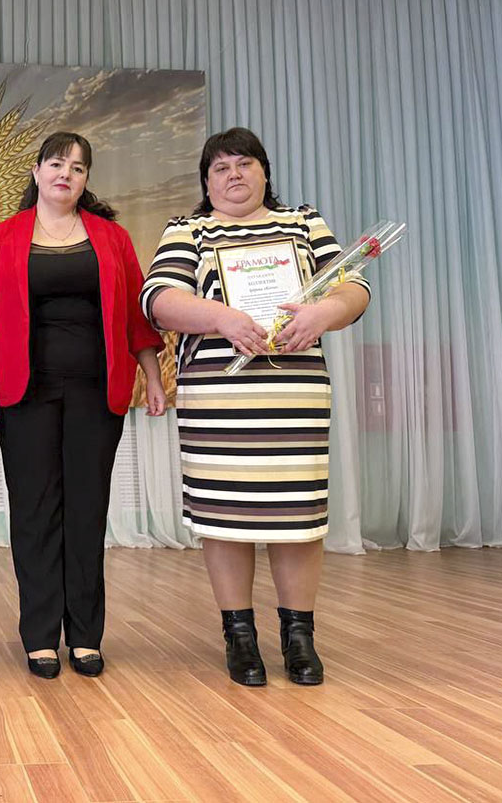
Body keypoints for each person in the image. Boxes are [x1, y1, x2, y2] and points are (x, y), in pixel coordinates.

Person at [141, 127, 370, 687]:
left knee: (297, 518)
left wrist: (323, 313)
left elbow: (353, 287)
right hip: (217, 400)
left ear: (265, 171)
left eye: (244, 163)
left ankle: (299, 636)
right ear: (206, 182)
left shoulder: (303, 223)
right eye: (220, 168)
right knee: (224, 519)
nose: (234, 175)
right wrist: (221, 317)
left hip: (294, 398)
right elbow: (158, 300)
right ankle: (239, 635)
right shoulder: (188, 230)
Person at [0, 131, 166, 679]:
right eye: (57, 164)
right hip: (23, 392)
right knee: (34, 511)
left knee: (86, 509)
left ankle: (84, 635)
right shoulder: (4, 237)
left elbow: (136, 317)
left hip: (96, 393)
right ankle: (39, 636)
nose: (66, 174)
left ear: (85, 180)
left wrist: (153, 379)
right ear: (36, 172)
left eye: (78, 168)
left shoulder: (112, 238)